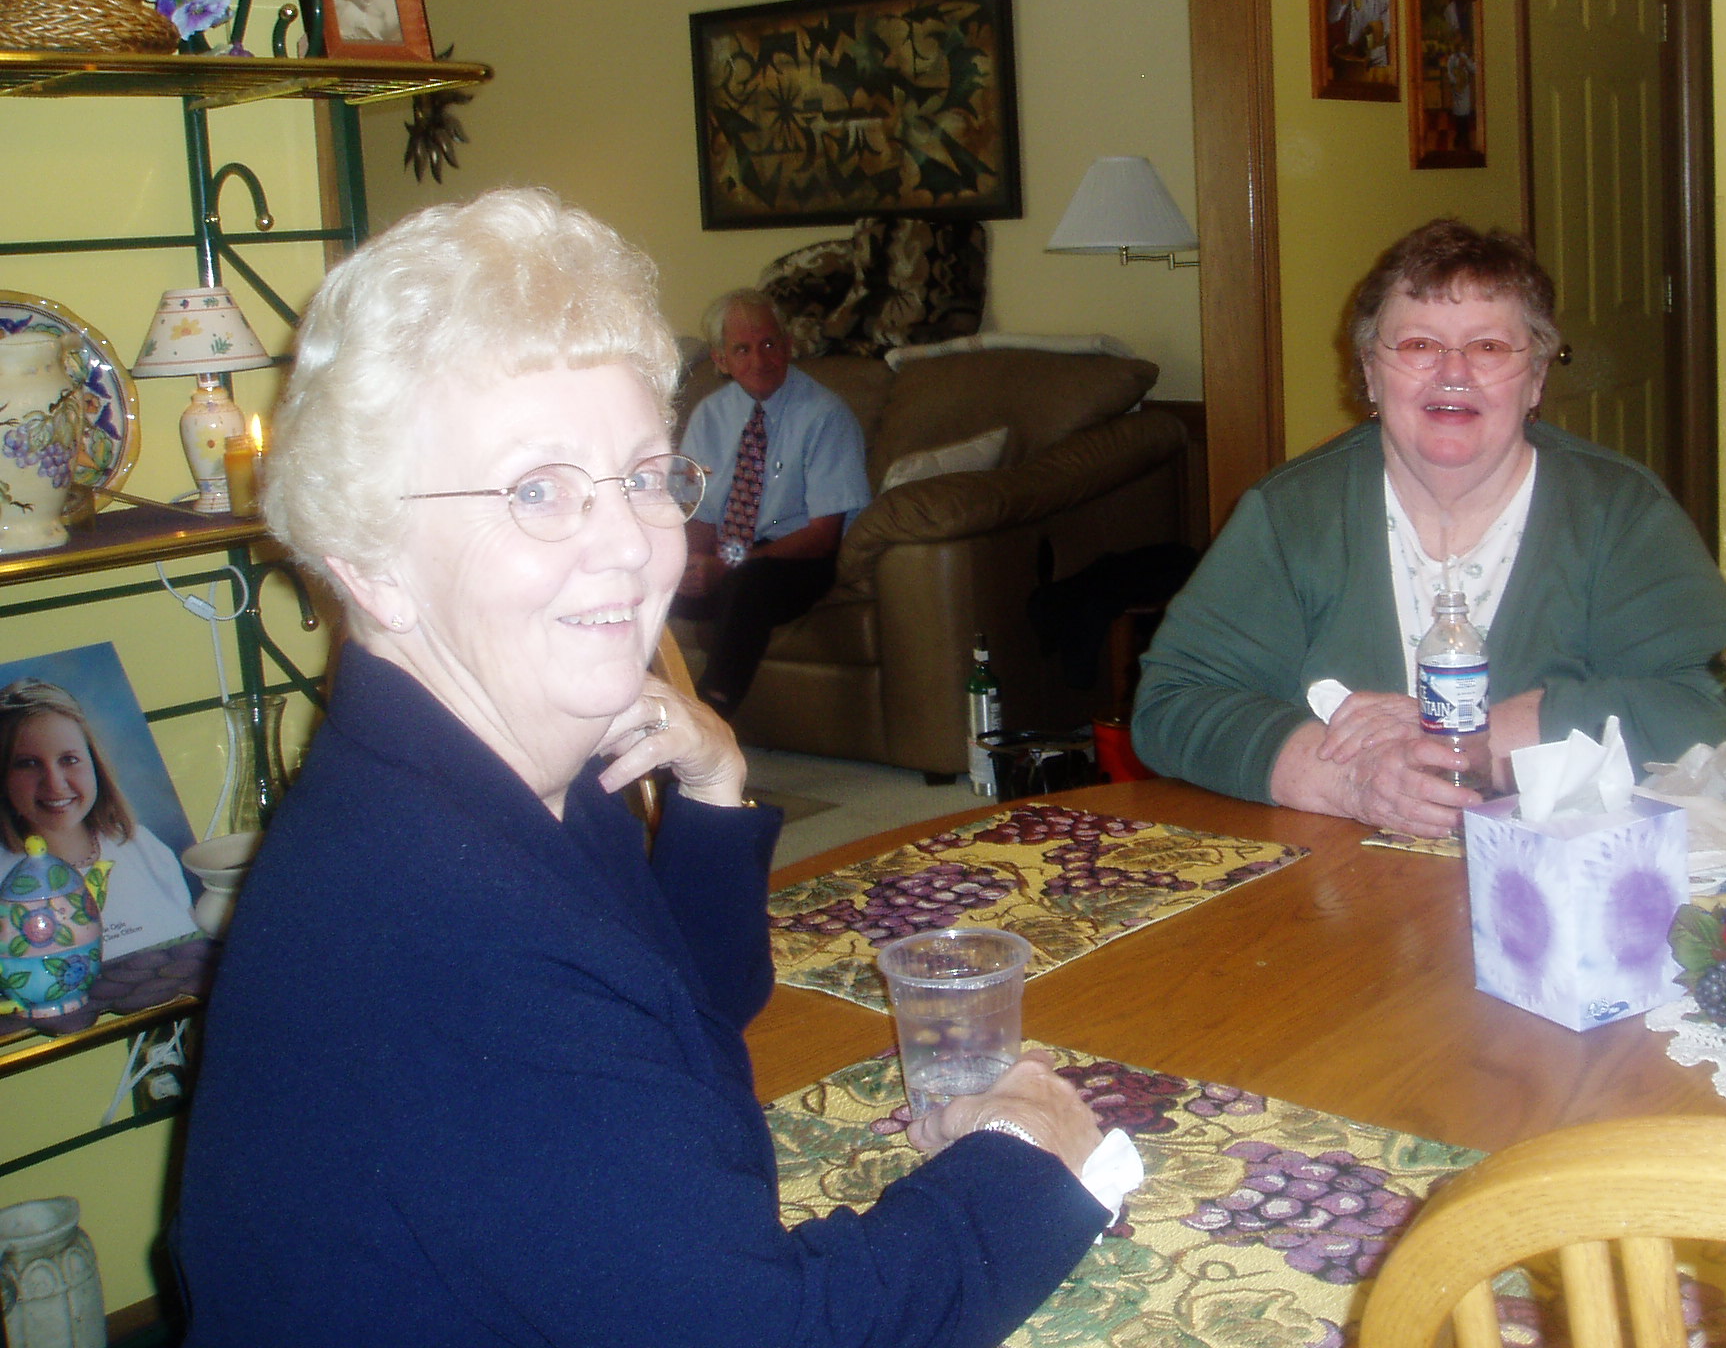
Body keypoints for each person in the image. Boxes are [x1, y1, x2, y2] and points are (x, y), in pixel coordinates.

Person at [174, 189, 1112, 1347]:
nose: (630, 542)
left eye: (644, 475)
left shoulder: (501, 780)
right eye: (537, 490)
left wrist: (712, 794)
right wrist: (1026, 1156)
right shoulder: (432, 916)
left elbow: (674, 1017)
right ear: (369, 559)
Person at [1132, 218, 1726, 841]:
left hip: (1558, 876)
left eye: (1489, 347)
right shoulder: (1292, 511)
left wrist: (1485, 736)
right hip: (1337, 879)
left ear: (1536, 378)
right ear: (1370, 372)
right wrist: (1351, 780)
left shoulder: (1617, 510)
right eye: (1419, 345)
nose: (1453, 372)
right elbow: (1173, 702)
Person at [677, 288, 869, 718]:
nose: (760, 360)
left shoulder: (825, 415)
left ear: (787, 344)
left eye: (768, 344)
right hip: (730, 556)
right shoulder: (709, 415)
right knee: (648, 576)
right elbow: (698, 514)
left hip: (794, 560)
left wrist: (729, 566)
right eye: (742, 349)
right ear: (721, 360)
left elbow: (823, 536)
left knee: (747, 583)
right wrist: (693, 566)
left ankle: (711, 716)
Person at [0, 678, 197, 959]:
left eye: (69, 759)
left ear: (94, 764)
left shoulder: (142, 846)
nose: (55, 784)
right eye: (28, 764)